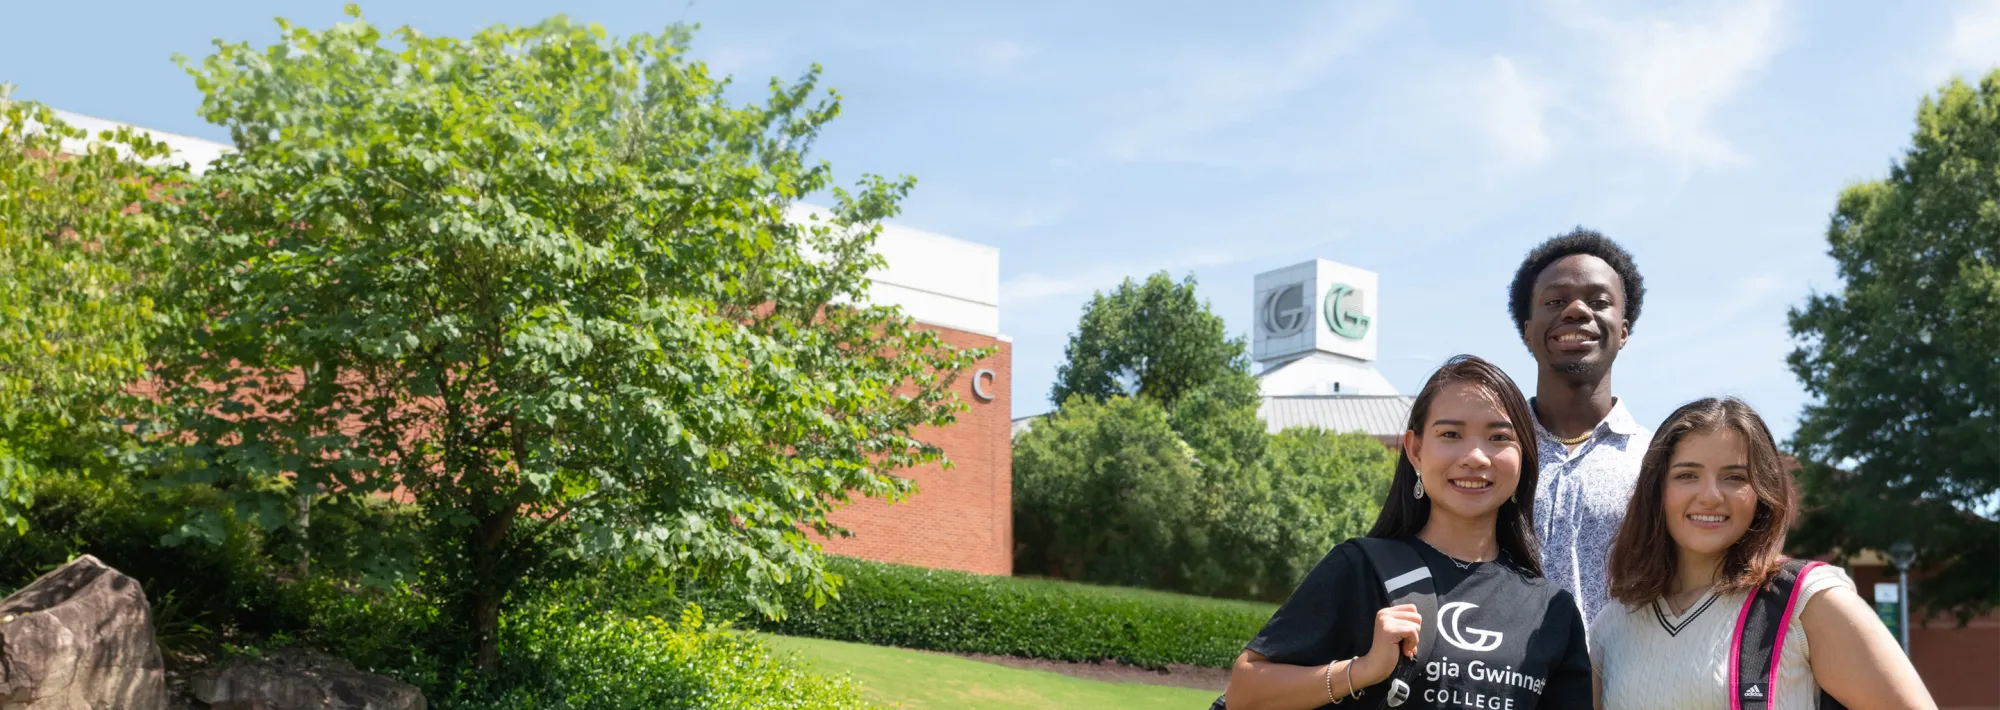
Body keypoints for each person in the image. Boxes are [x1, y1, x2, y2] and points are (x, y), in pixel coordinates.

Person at [1222, 355, 1591, 709]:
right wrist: (1361, 670)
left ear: (1524, 456)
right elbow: (1245, 691)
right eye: (1450, 434)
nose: (1476, 456)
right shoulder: (1360, 569)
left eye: (1498, 438)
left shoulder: (1551, 610)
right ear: (1415, 451)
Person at [1590, 398, 1936, 709]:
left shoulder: (1808, 600)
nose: (1710, 495)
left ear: (1762, 493)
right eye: (1687, 475)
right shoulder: (1614, 623)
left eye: (1734, 477)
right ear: (1656, 491)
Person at [1508, 228, 1650, 627]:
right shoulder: (1489, 457)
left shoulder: (1662, 461)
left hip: (1627, 688)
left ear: (1623, 331)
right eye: (1555, 301)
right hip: (1502, 686)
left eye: (1599, 301)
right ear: (1528, 331)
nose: (1575, 311)